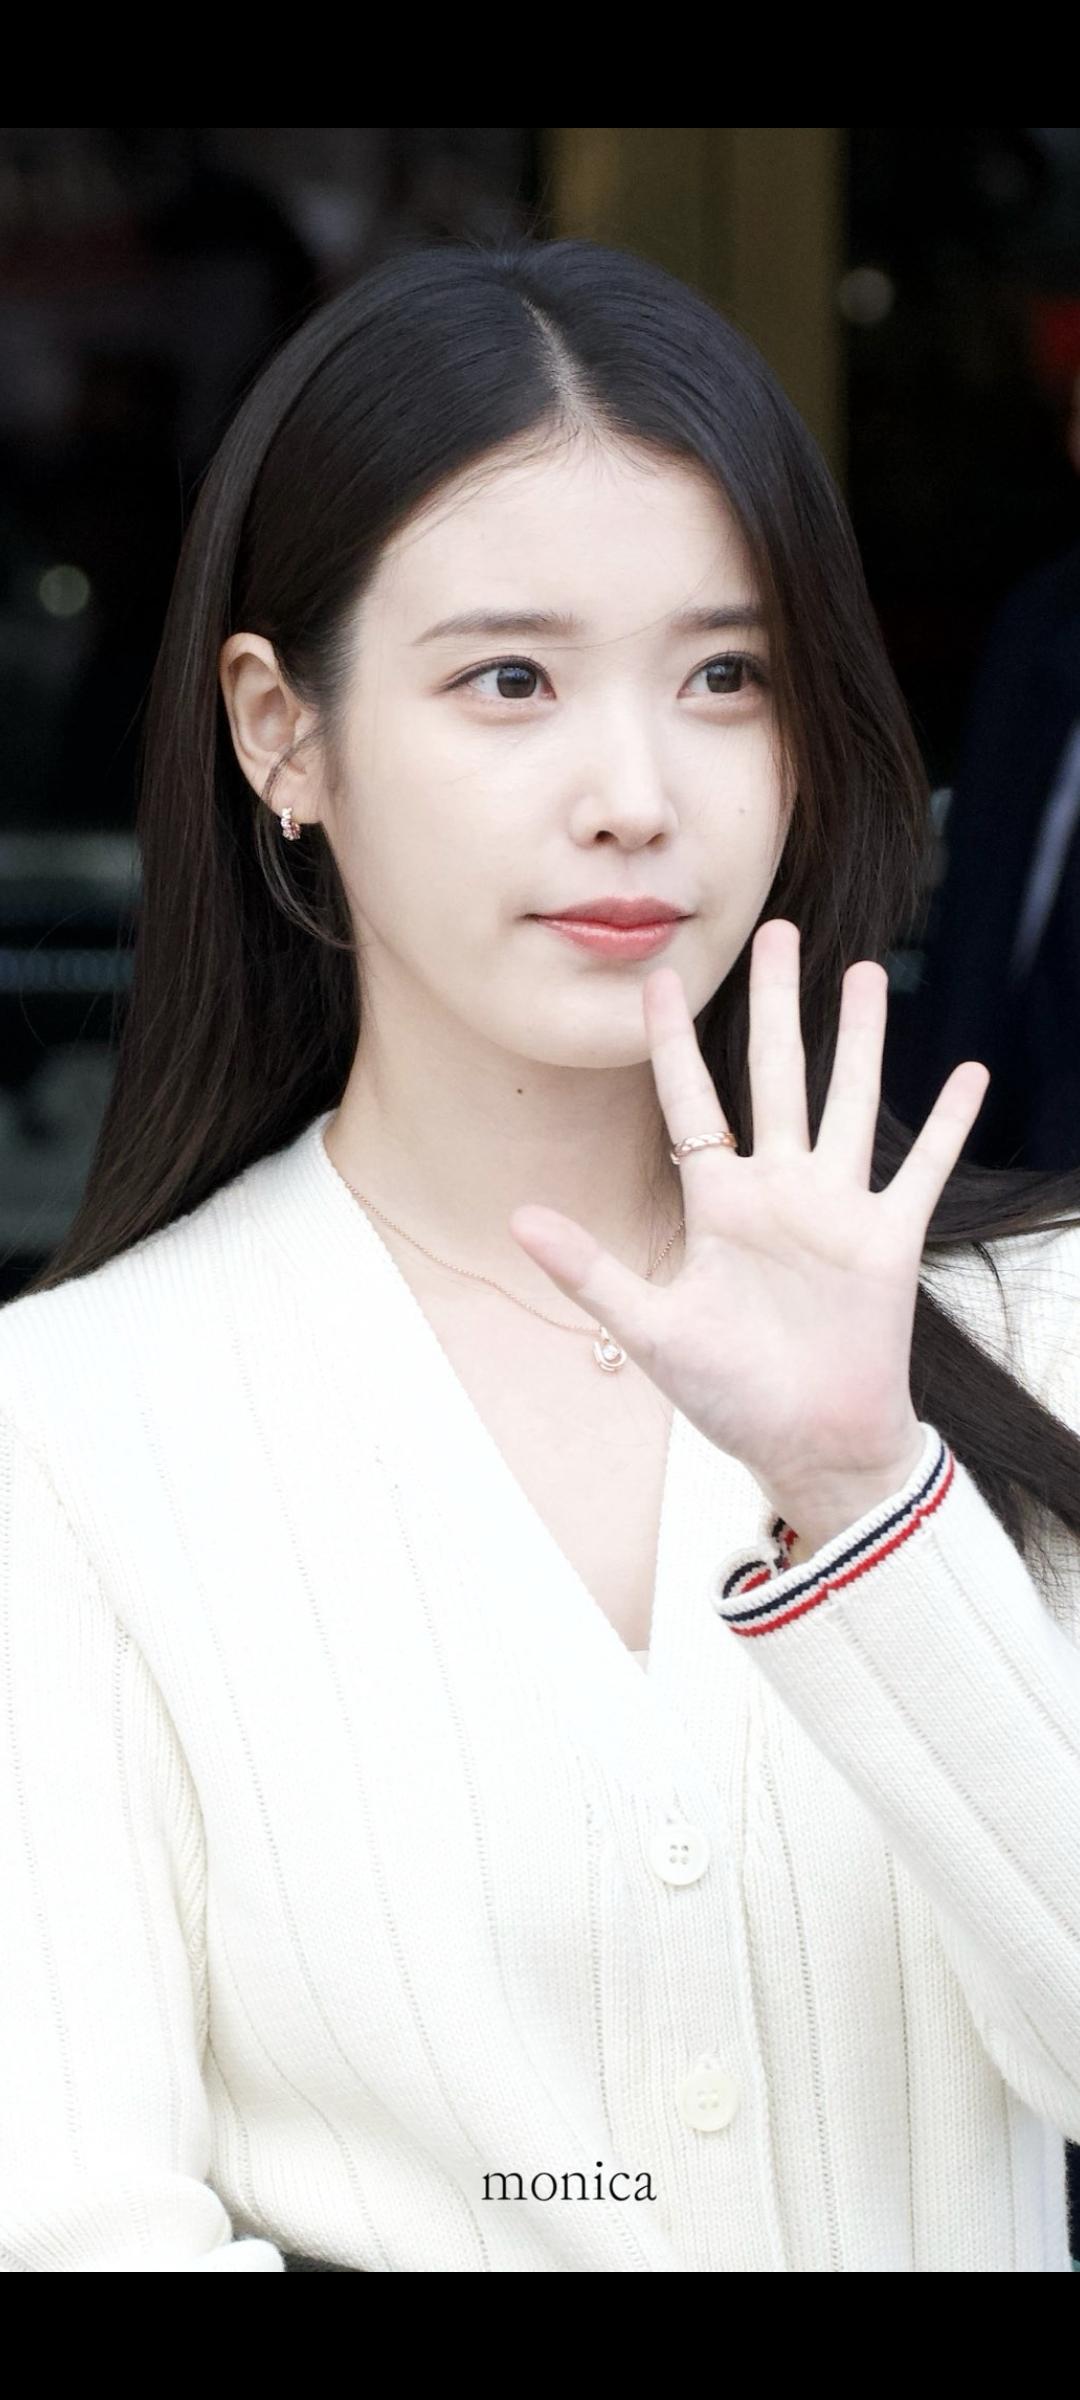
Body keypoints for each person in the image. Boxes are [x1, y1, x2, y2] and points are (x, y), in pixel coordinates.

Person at [2, 238, 1080, 2275]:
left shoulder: (1038, 1320)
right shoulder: (70, 1432)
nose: (636, 797)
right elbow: (71, 2222)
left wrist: (869, 1497)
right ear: (282, 733)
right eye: (511, 680)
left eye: (724, 676)